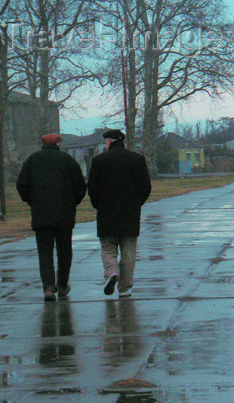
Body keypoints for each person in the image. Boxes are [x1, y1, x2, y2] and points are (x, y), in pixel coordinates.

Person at [17, 134, 86, 302]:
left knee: (45, 252)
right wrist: (71, 203)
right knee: (64, 251)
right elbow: (80, 186)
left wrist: (32, 201)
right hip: (64, 214)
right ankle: (62, 284)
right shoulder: (68, 160)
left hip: (41, 214)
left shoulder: (32, 160)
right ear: (57, 143)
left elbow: (22, 185)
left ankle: (48, 287)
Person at [87, 129, 151, 297]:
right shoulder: (137, 160)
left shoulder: (99, 161)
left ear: (109, 142)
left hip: (106, 212)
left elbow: (92, 188)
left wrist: (98, 205)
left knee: (108, 248)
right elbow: (146, 187)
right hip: (130, 213)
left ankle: (111, 272)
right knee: (129, 250)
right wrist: (137, 203)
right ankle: (125, 287)